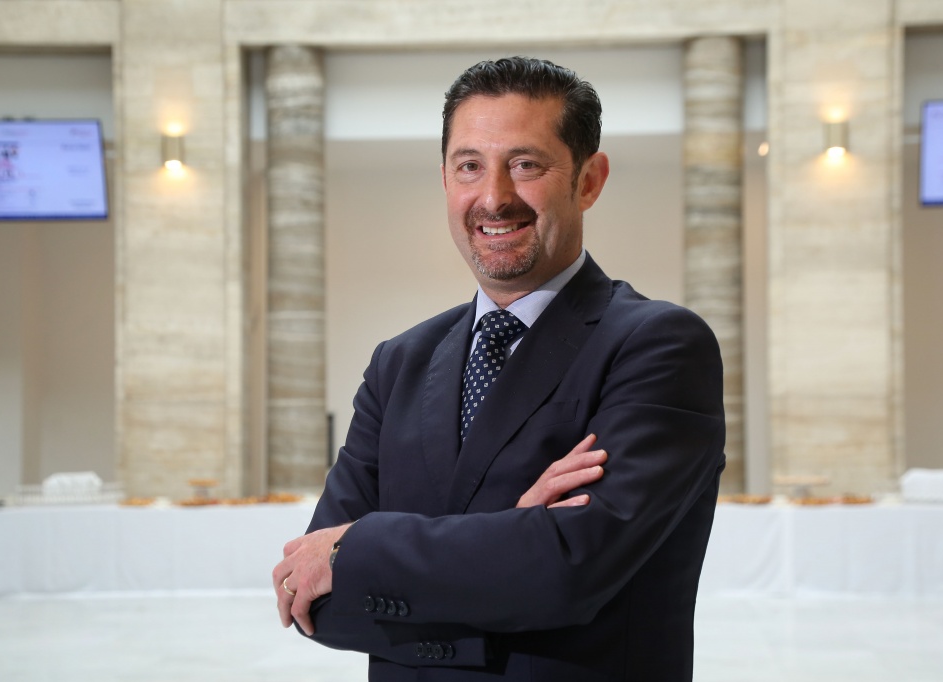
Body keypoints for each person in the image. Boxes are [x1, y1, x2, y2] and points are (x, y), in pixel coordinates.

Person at [273, 56, 726, 681]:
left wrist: (358, 548)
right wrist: (515, 532)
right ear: (445, 179)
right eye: (469, 166)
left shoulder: (659, 346)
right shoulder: (398, 363)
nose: (493, 197)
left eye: (525, 165)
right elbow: (313, 601)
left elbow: (567, 572)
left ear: (589, 180)